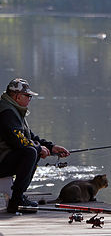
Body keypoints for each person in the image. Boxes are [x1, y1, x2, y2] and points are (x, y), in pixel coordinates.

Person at [0, 78, 70, 213]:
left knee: (32, 150)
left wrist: (51, 147)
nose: (29, 99)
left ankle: (18, 197)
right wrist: (39, 148)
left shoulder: (13, 109)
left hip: (3, 159)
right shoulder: (6, 112)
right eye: (28, 96)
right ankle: (16, 200)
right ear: (17, 96)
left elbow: (29, 136)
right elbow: (18, 141)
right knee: (30, 152)